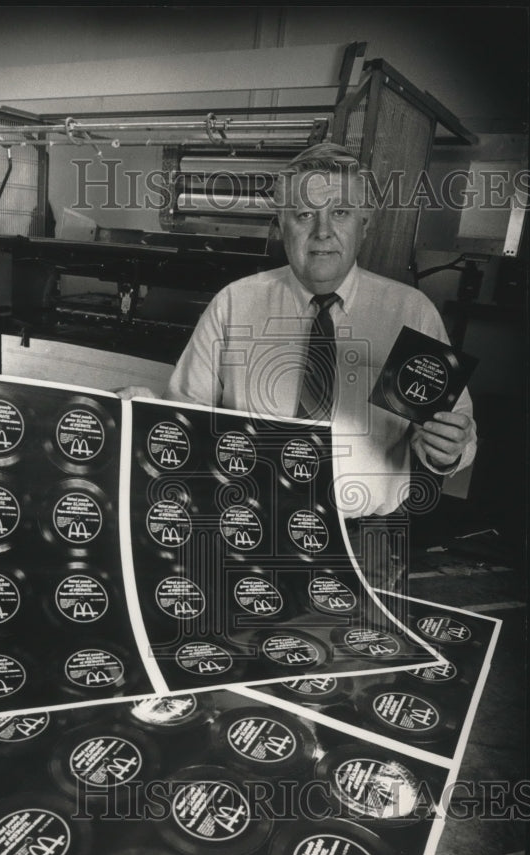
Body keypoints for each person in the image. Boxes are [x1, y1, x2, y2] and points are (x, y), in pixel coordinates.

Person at [120, 142, 476, 589]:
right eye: (305, 214)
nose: (323, 232)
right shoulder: (235, 303)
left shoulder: (411, 311)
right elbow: (185, 416)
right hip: (246, 526)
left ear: (365, 225)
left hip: (363, 542)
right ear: (280, 223)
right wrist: (144, 415)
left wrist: (449, 447)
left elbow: (455, 430)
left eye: (341, 213)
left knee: (356, 658)